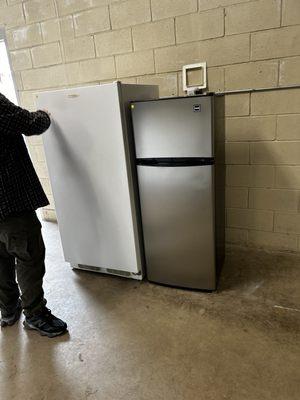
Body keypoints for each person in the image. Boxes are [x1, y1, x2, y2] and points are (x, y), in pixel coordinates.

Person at [0, 92, 67, 338]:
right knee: (28, 253)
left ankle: (8, 308)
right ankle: (35, 314)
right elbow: (28, 123)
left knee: (1, 256)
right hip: (8, 200)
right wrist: (44, 116)